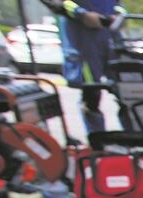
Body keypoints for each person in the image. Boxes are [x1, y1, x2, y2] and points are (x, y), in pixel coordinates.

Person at [39, 1, 119, 134]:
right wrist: (80, 14)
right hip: (83, 42)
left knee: (127, 90)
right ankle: (98, 143)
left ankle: (138, 142)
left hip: (110, 38)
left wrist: (119, 13)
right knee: (92, 95)